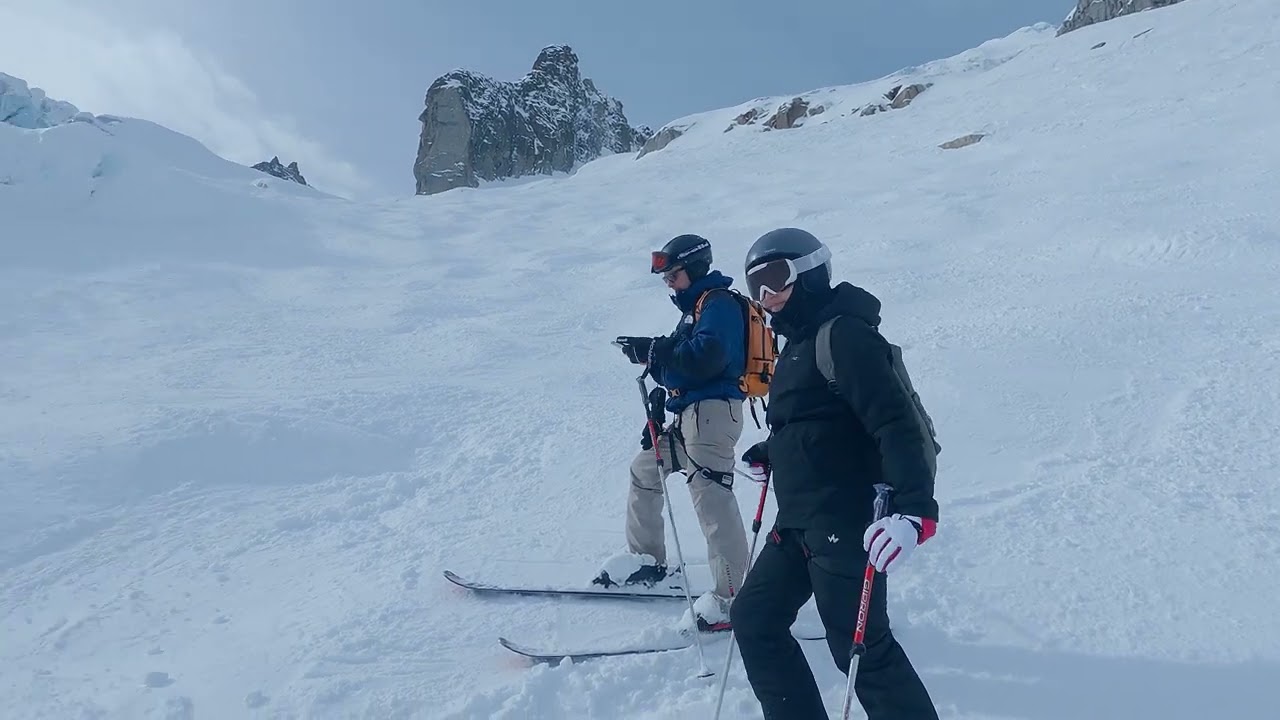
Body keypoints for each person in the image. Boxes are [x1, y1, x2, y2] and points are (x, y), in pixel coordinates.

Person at [729, 227, 941, 719]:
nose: (767, 297)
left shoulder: (844, 334)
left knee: (861, 650)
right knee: (755, 618)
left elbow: (896, 423)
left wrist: (914, 512)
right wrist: (772, 451)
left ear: (811, 275)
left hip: (845, 523)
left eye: (776, 278)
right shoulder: (799, 346)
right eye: (755, 285)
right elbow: (816, 425)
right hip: (799, 523)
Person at [597, 233, 752, 631]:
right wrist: (655, 356)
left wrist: (659, 351)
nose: (669, 283)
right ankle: (647, 562)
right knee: (645, 471)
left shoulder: (717, 303)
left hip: (712, 416)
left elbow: (708, 357)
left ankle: (733, 599)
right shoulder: (696, 309)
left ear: (696, 268)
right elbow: (677, 369)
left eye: (674, 275)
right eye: (666, 277)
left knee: (712, 501)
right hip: (689, 417)